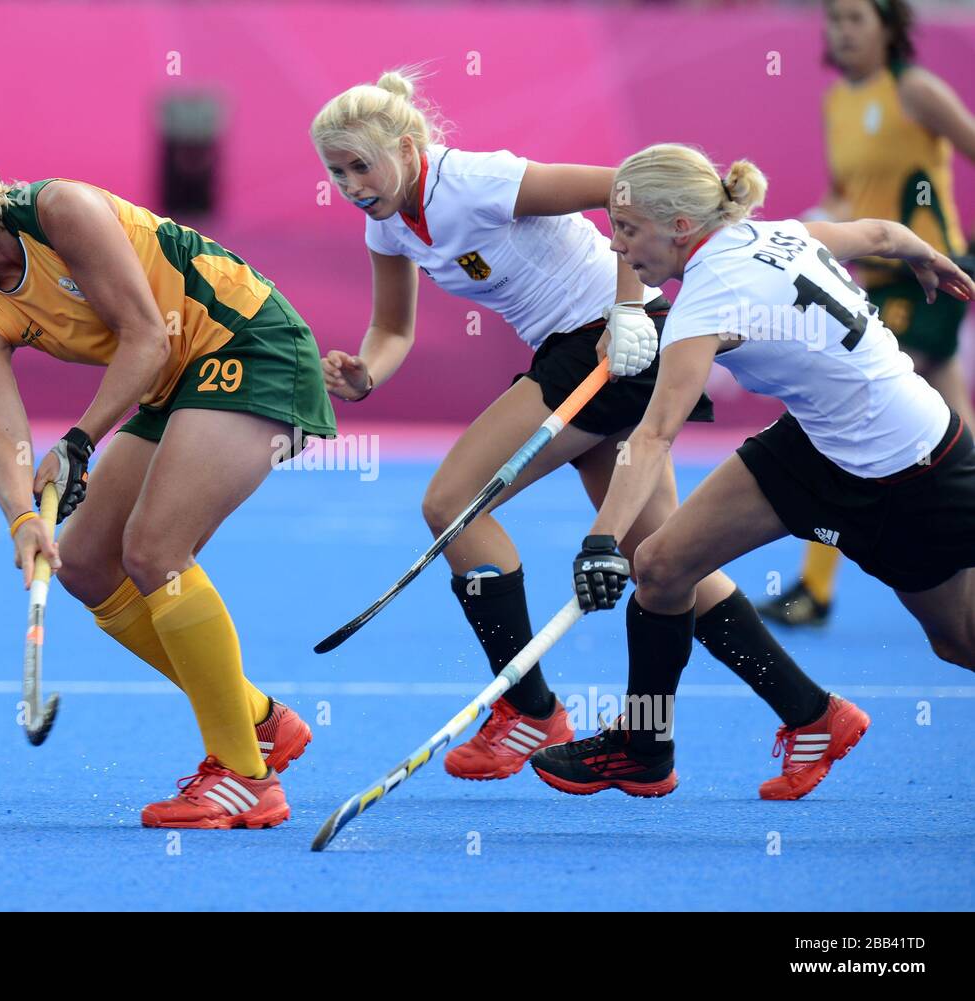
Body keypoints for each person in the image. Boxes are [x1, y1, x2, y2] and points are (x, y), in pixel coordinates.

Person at [312, 71, 853, 796]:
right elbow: (392, 328)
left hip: (606, 337)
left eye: (360, 165)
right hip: (576, 351)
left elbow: (626, 189)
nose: (350, 183)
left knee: (451, 502)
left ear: (408, 148)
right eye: (336, 171)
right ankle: (811, 711)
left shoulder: (475, 181)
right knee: (661, 557)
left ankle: (529, 709)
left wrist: (630, 310)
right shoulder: (385, 222)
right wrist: (367, 374)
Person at [0, 117, 336, 829]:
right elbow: (1, 430)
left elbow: (148, 337)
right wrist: (24, 519)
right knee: (85, 561)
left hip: (251, 344)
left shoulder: (61, 211)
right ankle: (257, 717)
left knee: (155, 550)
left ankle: (244, 774)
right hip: (175, 383)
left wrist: (82, 441)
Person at [531, 144, 975, 801]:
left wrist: (600, 541)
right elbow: (881, 233)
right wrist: (923, 255)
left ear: (681, 226)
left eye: (628, 229)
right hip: (819, 442)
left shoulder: (707, 299)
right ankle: (643, 748)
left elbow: (652, 436)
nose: (617, 247)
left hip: (912, 473)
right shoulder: (775, 234)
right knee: (659, 566)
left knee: (958, 643)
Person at [760, 0, 975, 627]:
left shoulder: (915, 90)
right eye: (834, 20)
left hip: (927, 277)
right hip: (876, 284)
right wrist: (788, 236)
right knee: (953, 421)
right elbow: (844, 197)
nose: (842, 31)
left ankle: (815, 588)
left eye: (856, 18)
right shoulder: (838, 103)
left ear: (888, 26)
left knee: (849, 401)